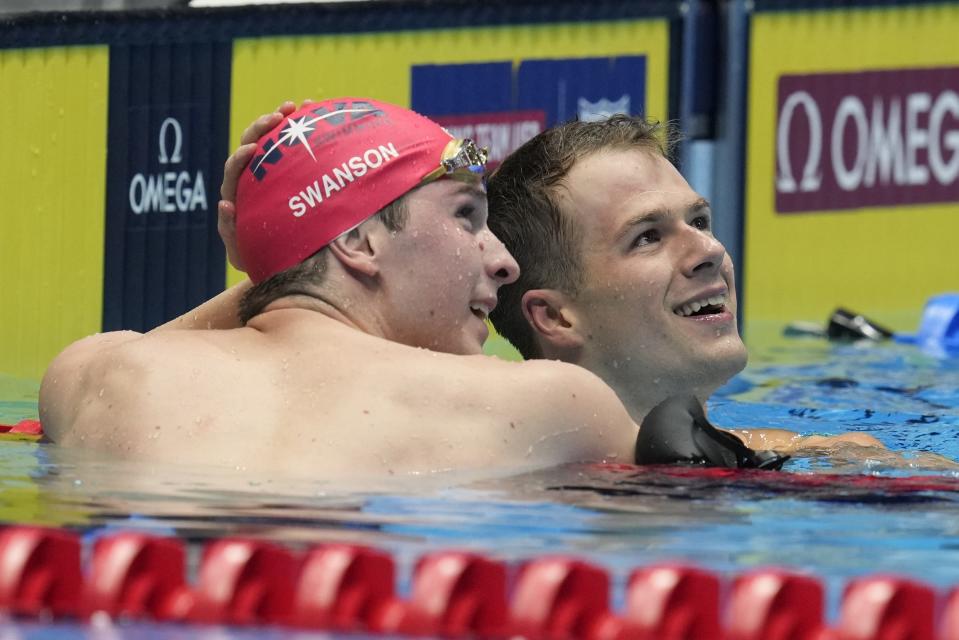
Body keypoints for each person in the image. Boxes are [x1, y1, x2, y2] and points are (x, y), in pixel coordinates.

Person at [38, 98, 641, 478]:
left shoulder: (92, 373)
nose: (504, 262)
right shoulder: (553, 403)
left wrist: (263, 253)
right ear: (359, 244)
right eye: (466, 215)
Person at [484, 115, 883, 452]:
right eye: (648, 237)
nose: (709, 250)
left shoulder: (830, 460)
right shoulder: (500, 479)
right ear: (555, 317)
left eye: (698, 222)